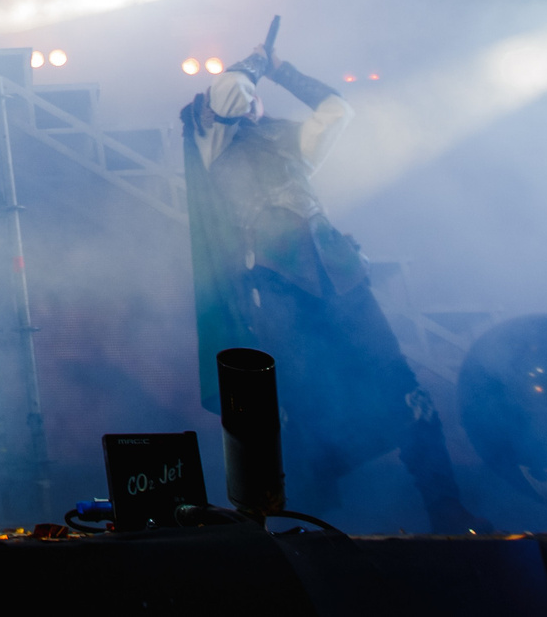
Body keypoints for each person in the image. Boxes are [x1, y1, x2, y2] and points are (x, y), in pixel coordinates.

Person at [180, 52, 481, 533]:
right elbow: (231, 92)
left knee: (405, 390)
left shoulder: (286, 138)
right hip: (279, 287)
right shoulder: (212, 137)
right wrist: (253, 65)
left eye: (260, 96)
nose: (254, 102)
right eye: (250, 96)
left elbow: (337, 109)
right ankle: (309, 518)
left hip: (341, 278)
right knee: (305, 405)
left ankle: (444, 505)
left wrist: (283, 71)